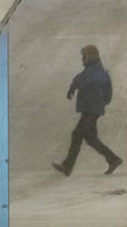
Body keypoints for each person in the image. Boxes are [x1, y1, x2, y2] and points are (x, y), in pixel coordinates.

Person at [52, 45, 122, 176]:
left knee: (77, 135)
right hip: (91, 110)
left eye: (85, 56)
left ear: (92, 57)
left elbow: (83, 79)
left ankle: (68, 166)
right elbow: (83, 80)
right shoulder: (94, 70)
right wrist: (73, 87)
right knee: (90, 138)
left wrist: (74, 87)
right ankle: (113, 159)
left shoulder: (96, 72)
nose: (83, 59)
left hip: (91, 111)